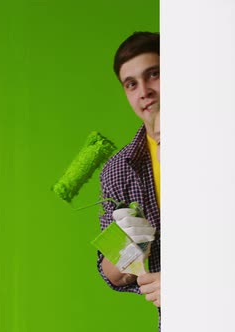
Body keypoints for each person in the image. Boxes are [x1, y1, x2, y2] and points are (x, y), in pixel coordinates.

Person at [97, 31, 161, 325]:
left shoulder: (223, 145)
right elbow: (111, 272)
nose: (144, 91)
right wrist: (126, 247)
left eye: (155, 74)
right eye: (131, 84)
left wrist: (192, 287)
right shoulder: (119, 170)